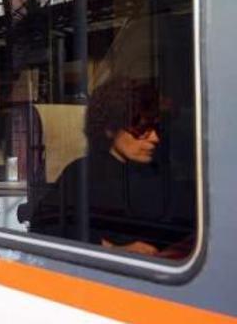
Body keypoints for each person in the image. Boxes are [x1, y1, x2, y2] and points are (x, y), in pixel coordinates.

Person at [30, 77, 192, 258]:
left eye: (157, 128)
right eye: (141, 129)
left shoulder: (162, 175)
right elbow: (43, 227)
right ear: (110, 129)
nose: (154, 138)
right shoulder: (82, 173)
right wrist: (111, 249)